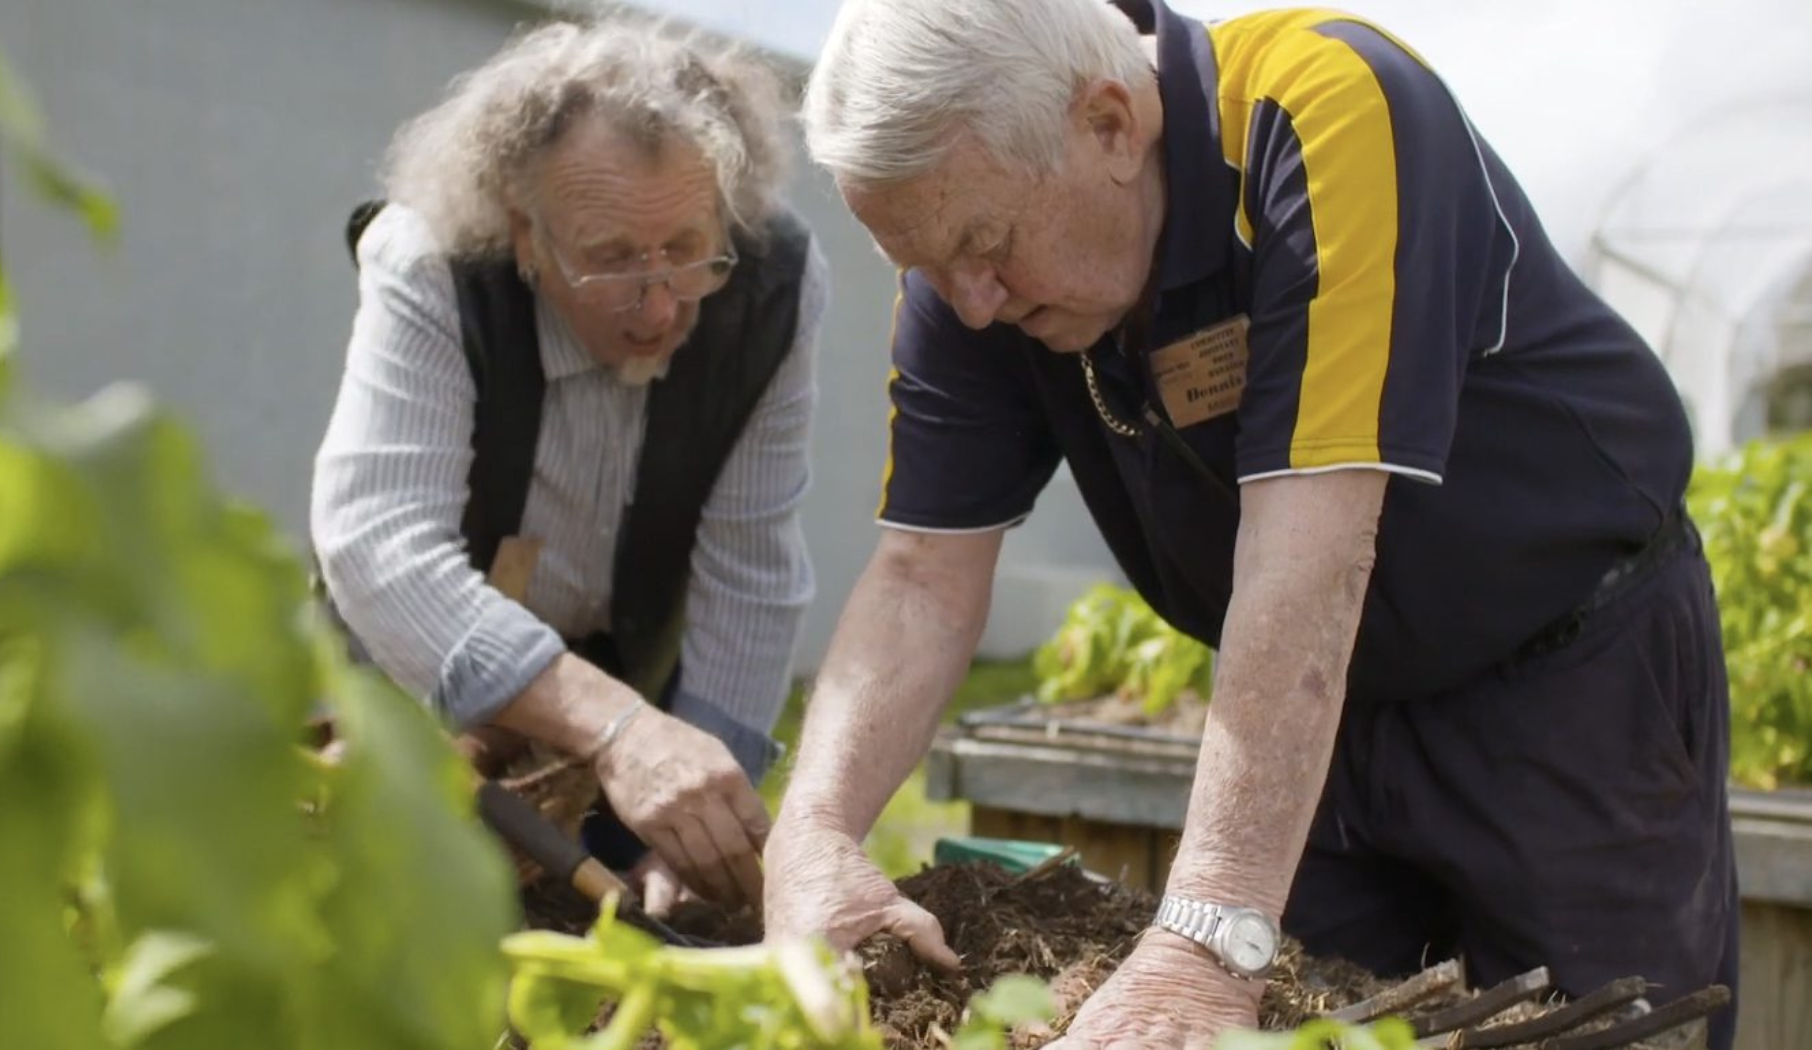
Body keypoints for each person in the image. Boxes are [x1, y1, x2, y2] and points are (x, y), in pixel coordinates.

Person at [765, 1, 1738, 1047]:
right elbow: (920, 576)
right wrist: (811, 834)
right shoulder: (975, 247)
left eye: (983, 247)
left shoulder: (1319, 108)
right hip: (1314, 711)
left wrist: (1208, 930)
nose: (967, 305)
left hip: (1564, 684)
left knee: (1604, 1031)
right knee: (1306, 1022)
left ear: (1107, 123)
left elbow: (1311, 555)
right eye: (922, 266)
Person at [310, 18, 826, 915]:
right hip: (417, 681)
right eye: (611, 260)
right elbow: (379, 542)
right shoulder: (433, 260)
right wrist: (615, 728)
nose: (660, 304)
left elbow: (749, 570)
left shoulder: (772, 286)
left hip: (632, 677)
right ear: (524, 234)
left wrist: (706, 797)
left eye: (686, 249)